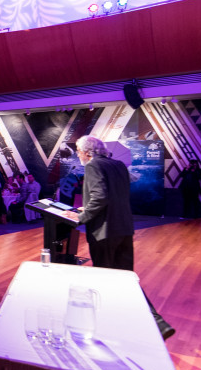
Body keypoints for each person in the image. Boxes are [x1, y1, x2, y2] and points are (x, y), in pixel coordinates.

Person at [73, 135, 175, 340]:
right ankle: (157, 322)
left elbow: (101, 196)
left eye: (78, 150)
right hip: (124, 228)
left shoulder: (93, 166)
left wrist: (82, 216)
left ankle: (110, 325)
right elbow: (113, 195)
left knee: (106, 279)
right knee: (127, 278)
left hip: (104, 231)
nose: (77, 154)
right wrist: (91, 206)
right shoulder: (118, 165)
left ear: (88, 152)